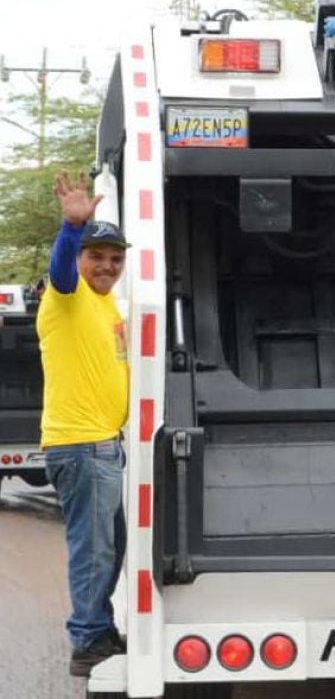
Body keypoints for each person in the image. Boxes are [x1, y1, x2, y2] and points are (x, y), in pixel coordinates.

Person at [39, 171, 131, 677]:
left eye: (115, 258)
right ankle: (88, 640)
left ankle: (97, 625)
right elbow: (60, 271)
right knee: (93, 548)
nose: (107, 265)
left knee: (107, 546)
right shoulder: (67, 295)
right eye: (96, 256)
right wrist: (72, 228)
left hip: (103, 446)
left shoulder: (106, 302)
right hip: (80, 446)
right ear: (79, 260)